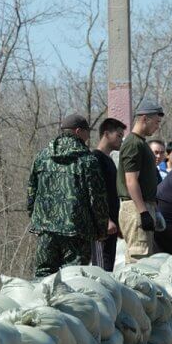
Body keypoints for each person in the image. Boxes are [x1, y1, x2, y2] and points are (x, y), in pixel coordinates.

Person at [27, 114, 109, 276]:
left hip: (46, 229)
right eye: (87, 132)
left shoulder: (42, 156)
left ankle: (43, 302)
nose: (88, 136)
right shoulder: (87, 160)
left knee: (43, 275)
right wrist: (101, 230)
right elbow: (97, 199)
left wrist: (35, 219)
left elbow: (31, 191)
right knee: (74, 277)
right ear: (78, 131)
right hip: (77, 230)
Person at [117, 99, 165, 263]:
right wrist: (143, 212)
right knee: (139, 262)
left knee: (144, 261)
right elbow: (131, 181)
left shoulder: (140, 143)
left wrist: (154, 211)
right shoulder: (133, 144)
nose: (157, 126)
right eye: (156, 122)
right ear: (145, 118)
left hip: (142, 205)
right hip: (135, 208)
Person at [92, 117, 126, 271]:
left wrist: (117, 223)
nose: (121, 139)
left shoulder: (109, 160)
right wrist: (105, 220)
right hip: (101, 229)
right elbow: (95, 194)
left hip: (111, 227)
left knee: (108, 269)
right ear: (106, 134)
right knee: (100, 270)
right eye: (118, 135)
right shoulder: (95, 159)